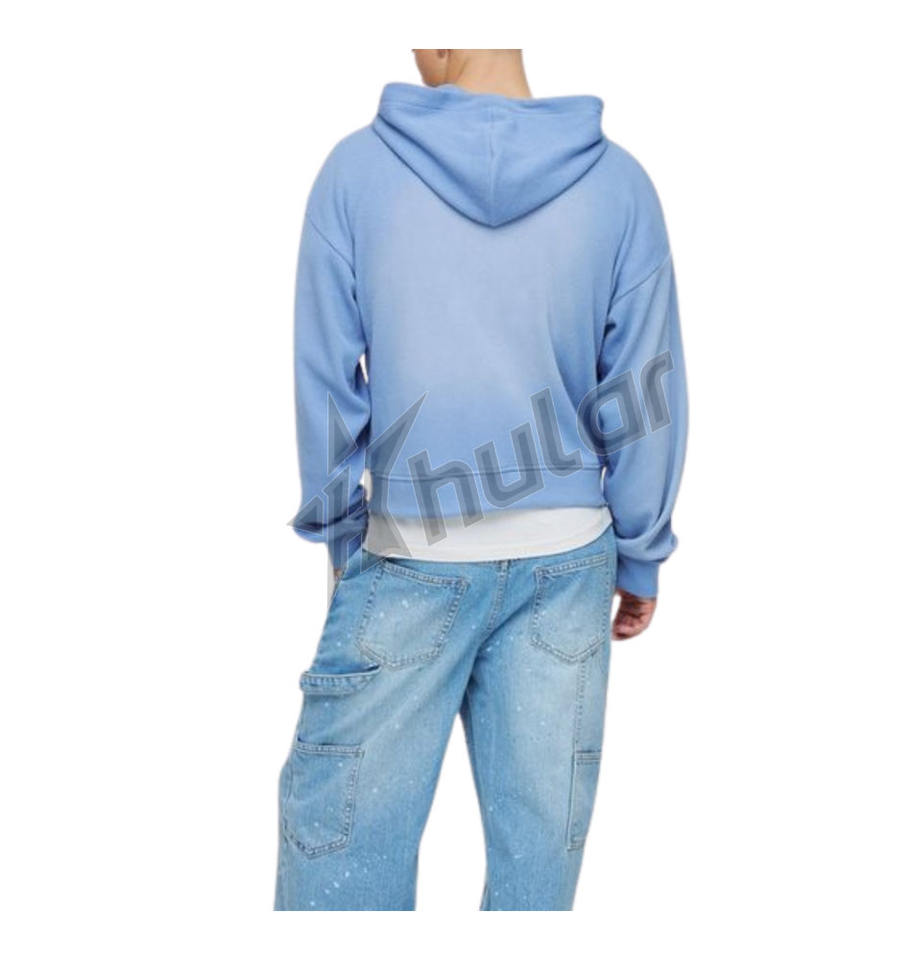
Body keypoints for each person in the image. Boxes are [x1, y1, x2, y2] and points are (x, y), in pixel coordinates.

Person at [275, 49, 687, 911]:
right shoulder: (620, 188)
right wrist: (640, 553)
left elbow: (326, 381)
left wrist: (344, 539)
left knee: (339, 880)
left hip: (406, 560)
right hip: (568, 566)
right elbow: (646, 389)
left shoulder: (357, 173)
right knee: (537, 891)